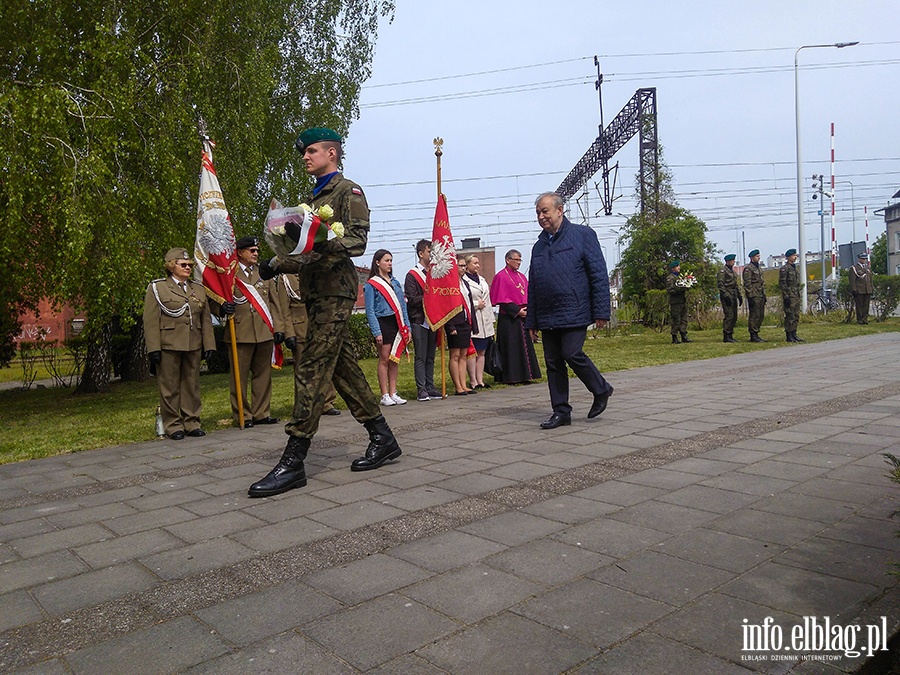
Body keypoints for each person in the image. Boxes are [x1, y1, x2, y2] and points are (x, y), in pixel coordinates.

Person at [249, 127, 401, 497]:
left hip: (336, 293)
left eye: (312, 151)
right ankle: (383, 439)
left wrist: (320, 239)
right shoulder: (312, 200)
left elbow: (358, 241)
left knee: (312, 368)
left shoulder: (349, 191)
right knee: (343, 369)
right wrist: (277, 263)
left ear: (332, 154)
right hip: (316, 293)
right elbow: (309, 256)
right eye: (304, 152)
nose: (305, 157)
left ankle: (294, 459)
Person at [525, 192, 614, 429]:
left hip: (574, 309)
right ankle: (561, 411)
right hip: (547, 313)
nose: (541, 216)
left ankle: (601, 389)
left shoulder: (583, 235)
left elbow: (597, 274)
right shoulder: (538, 247)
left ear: (560, 210)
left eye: (545, 211)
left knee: (571, 353)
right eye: (538, 213)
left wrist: (602, 310)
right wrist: (531, 321)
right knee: (553, 363)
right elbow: (533, 284)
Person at [143, 248, 216, 440]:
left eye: (189, 265)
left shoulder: (198, 288)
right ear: (170, 266)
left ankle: (191, 422)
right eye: (182, 264)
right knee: (170, 387)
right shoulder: (158, 288)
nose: (188, 267)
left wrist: (209, 345)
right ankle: (173, 424)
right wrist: (154, 349)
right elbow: (150, 321)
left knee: (191, 385)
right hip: (169, 344)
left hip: (193, 343)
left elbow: (205, 319)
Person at [213, 236, 282, 427]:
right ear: (240, 252)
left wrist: (279, 328)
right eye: (251, 250)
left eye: (257, 250)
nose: (256, 254)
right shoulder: (229, 275)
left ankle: (261, 413)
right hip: (240, 332)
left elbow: (274, 303)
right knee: (239, 377)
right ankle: (243, 414)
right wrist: (220, 309)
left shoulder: (263, 273)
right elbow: (214, 299)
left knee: (263, 376)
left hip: (263, 331)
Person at [273, 272, 341, 415]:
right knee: (302, 370)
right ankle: (304, 405)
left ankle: (327, 402)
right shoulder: (286, 278)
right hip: (300, 330)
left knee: (325, 365)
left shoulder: (316, 272)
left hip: (320, 326)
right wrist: (289, 333)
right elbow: (284, 310)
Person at [364, 249, 411, 406]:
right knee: (384, 359)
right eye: (386, 260)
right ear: (378, 262)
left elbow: (403, 307)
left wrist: (407, 327)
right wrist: (376, 331)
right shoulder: (372, 284)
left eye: (391, 260)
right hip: (383, 322)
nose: (390, 263)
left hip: (397, 323)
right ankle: (384, 395)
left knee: (394, 359)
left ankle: (393, 392)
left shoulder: (396, 283)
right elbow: (370, 310)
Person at [490, 249, 541, 383]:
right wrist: (517, 312)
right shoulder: (501, 276)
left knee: (524, 347)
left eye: (520, 260)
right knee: (511, 348)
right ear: (508, 260)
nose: (519, 263)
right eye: (516, 260)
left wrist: (528, 310)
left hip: (523, 316)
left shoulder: (521, 277)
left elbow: (528, 294)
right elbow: (501, 299)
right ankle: (511, 377)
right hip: (509, 318)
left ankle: (526, 375)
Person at [404, 239, 442, 401]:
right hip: (419, 319)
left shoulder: (434, 273)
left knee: (430, 356)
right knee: (420, 356)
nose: (431, 255)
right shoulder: (412, 275)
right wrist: (429, 297)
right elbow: (412, 299)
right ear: (421, 254)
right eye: (429, 252)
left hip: (432, 319)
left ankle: (430, 386)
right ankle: (421, 389)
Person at [460, 253, 495, 389]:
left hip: (485, 320)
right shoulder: (463, 281)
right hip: (473, 319)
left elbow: (488, 300)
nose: (478, 265)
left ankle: (480, 380)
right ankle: (473, 380)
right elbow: (463, 299)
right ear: (467, 265)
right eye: (474, 263)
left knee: (482, 352)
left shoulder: (482, 279)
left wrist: (491, 320)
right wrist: (475, 304)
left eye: (478, 263)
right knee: (472, 352)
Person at [445, 256, 475, 395]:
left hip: (465, 322)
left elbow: (469, 305)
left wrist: (472, 323)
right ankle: (457, 386)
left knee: (464, 354)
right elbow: (446, 307)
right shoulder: (449, 285)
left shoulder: (465, 283)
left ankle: (464, 384)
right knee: (455, 355)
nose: (463, 268)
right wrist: (450, 326)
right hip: (454, 324)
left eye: (464, 266)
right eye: (460, 265)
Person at [779, 248, 804, 343]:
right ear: (788, 257)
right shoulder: (785, 269)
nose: (795, 257)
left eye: (795, 255)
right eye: (793, 255)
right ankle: (789, 335)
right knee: (790, 315)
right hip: (789, 295)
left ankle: (794, 333)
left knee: (796, 315)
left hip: (795, 295)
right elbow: (783, 283)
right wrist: (786, 297)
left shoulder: (794, 268)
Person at [717, 253, 742, 343]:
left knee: (734, 316)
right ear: (728, 261)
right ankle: (726, 335)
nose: (734, 262)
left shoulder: (733, 272)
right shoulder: (723, 272)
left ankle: (731, 333)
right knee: (729, 315)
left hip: (733, 294)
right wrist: (725, 295)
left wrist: (739, 296)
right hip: (727, 295)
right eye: (732, 261)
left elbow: (735, 285)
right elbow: (720, 284)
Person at [743, 248, 767, 343]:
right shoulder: (749, 269)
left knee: (760, 314)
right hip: (754, 294)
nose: (759, 258)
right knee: (754, 315)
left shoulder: (759, 268)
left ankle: (757, 332)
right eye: (757, 256)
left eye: (759, 256)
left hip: (760, 294)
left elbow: (761, 282)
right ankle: (753, 334)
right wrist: (750, 296)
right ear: (752, 258)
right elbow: (747, 284)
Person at [665, 260, 691, 344]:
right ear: (673, 268)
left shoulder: (680, 277)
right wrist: (679, 288)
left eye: (679, 266)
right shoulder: (670, 278)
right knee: (676, 319)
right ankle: (674, 336)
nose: (679, 268)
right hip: (675, 302)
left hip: (682, 300)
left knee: (684, 319)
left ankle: (684, 335)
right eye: (677, 266)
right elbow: (670, 290)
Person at [849, 252, 874, 325]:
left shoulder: (867, 268)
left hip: (867, 289)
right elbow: (852, 280)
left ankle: (865, 319)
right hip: (859, 290)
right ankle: (859, 320)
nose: (864, 260)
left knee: (866, 305)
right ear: (859, 259)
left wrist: (871, 288)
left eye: (865, 259)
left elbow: (870, 279)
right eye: (863, 259)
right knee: (859, 306)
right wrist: (854, 289)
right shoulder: (854, 268)